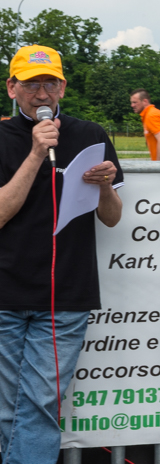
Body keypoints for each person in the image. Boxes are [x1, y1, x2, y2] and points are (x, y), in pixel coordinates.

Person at [0, 45, 123, 464]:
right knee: (7, 408)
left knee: (39, 403)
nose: (41, 94)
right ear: (11, 88)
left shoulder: (91, 135)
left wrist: (104, 187)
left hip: (65, 296)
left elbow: (112, 218)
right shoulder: (2, 138)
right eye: (31, 84)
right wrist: (37, 153)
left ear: (63, 88)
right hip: (6, 294)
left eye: (49, 84)